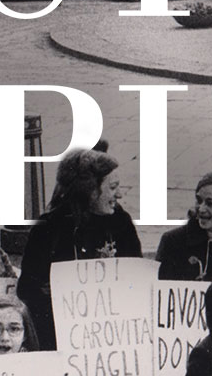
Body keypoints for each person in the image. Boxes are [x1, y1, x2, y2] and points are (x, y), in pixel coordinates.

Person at [15, 148, 141, 350]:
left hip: (113, 337)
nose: (119, 194)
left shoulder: (121, 222)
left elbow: (137, 278)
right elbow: (28, 292)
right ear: (90, 190)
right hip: (62, 340)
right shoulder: (49, 228)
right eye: (112, 187)